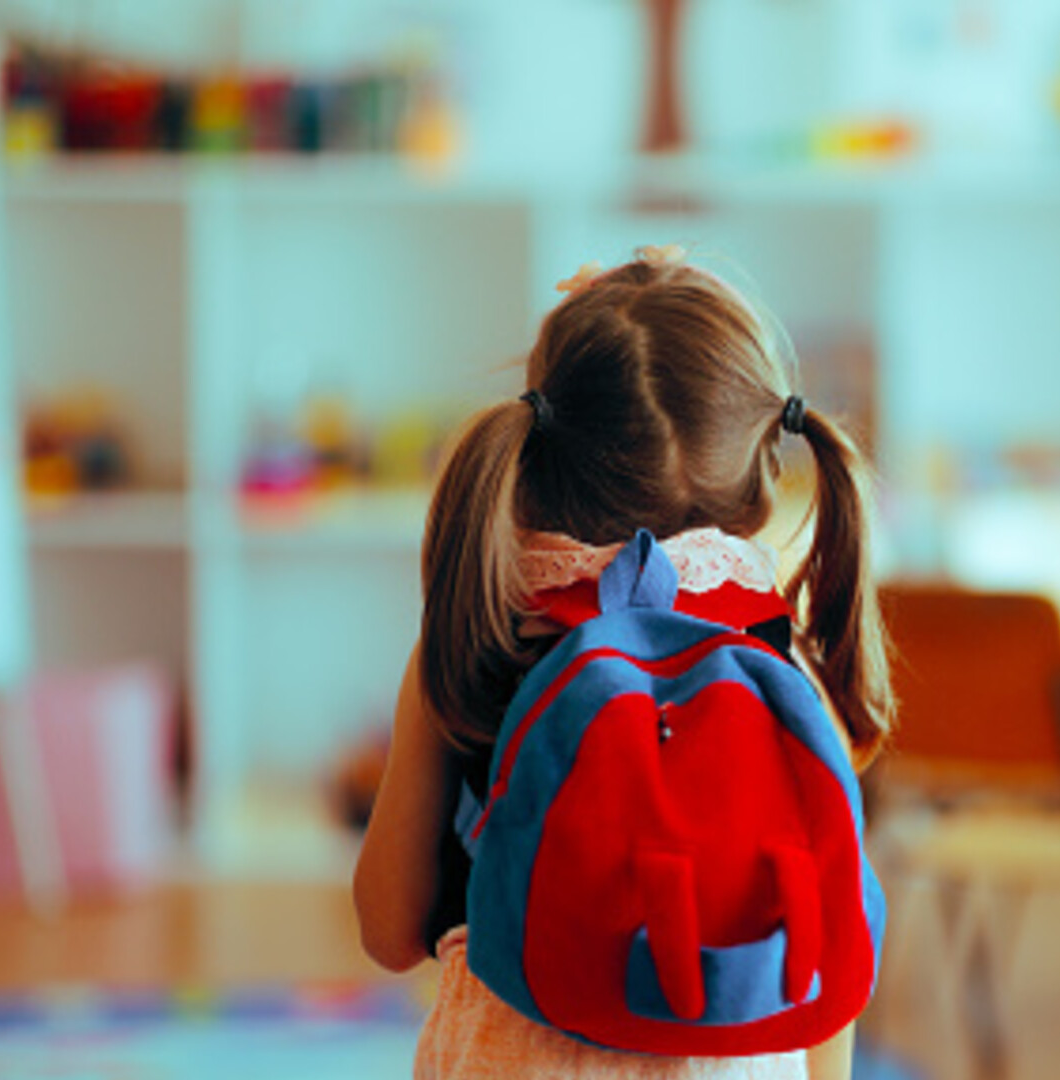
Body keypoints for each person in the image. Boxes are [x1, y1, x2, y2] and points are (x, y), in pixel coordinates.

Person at [353, 245, 894, 1080]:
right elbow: (829, 951)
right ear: (762, 459)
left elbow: (389, 930)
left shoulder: (480, 635)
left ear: (537, 446)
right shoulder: (779, 663)